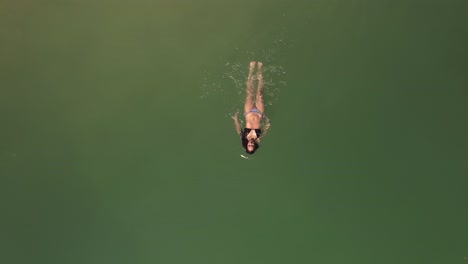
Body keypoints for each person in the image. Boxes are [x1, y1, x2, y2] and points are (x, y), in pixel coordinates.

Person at [232, 61, 271, 154]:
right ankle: (260, 70)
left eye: (249, 145)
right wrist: (268, 124)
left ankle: (251, 69)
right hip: (259, 113)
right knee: (260, 93)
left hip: (248, 112)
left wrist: (235, 119)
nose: (251, 144)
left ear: (246, 145)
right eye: (252, 146)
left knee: (250, 91)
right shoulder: (258, 139)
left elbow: (238, 128)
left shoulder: (244, 136)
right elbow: (265, 131)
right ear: (255, 146)